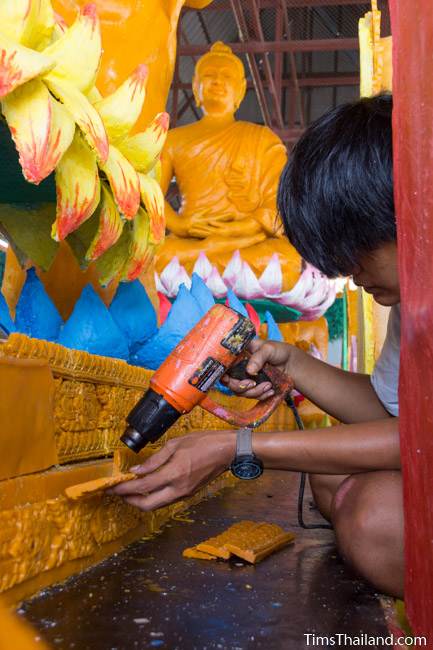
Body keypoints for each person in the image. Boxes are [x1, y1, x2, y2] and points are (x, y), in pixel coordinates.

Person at [111, 94, 404, 598]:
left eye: (358, 255)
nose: (354, 280)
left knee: (373, 515)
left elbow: (418, 439)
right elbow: (391, 408)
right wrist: (290, 362)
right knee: (332, 481)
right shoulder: (410, 300)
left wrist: (238, 449)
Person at [157, 42, 302, 290]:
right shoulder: (171, 140)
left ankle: (209, 261)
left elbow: (278, 204)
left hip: (246, 242)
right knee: (155, 257)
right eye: (209, 76)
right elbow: (152, 200)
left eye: (227, 77)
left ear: (241, 89)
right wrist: (181, 225)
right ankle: (212, 259)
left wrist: (245, 227)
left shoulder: (263, 138)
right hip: (191, 241)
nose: (217, 82)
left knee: (286, 260)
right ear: (195, 86)